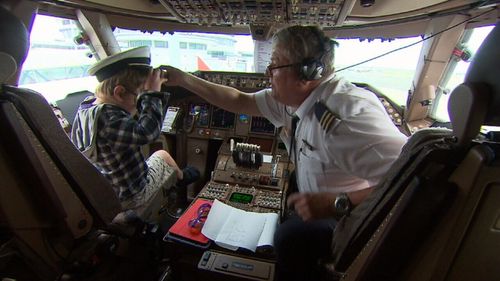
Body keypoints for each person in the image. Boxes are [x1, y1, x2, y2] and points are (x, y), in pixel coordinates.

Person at [163, 25, 407, 280]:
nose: (268, 73)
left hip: (344, 214)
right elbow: (239, 100)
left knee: (288, 237)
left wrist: (336, 201)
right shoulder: (293, 100)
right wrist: (184, 79)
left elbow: (405, 178)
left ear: (307, 72)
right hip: (313, 197)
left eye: (275, 65)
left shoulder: (346, 118)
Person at [71, 46, 199, 214]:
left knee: (157, 157)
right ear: (119, 93)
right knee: (163, 155)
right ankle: (181, 178)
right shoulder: (111, 120)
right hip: (133, 195)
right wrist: (152, 95)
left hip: (109, 188)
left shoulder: (87, 109)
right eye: (139, 98)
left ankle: (178, 177)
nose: (140, 106)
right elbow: (149, 133)